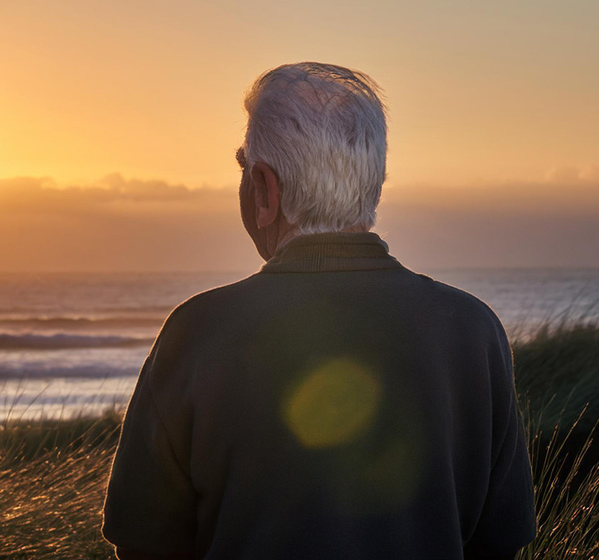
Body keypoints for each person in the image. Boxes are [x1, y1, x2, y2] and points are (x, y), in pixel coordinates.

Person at [101, 62, 537, 560]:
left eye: (244, 167)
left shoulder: (197, 331)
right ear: (372, 182)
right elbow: (500, 541)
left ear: (265, 190)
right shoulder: (472, 330)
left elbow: (143, 543)